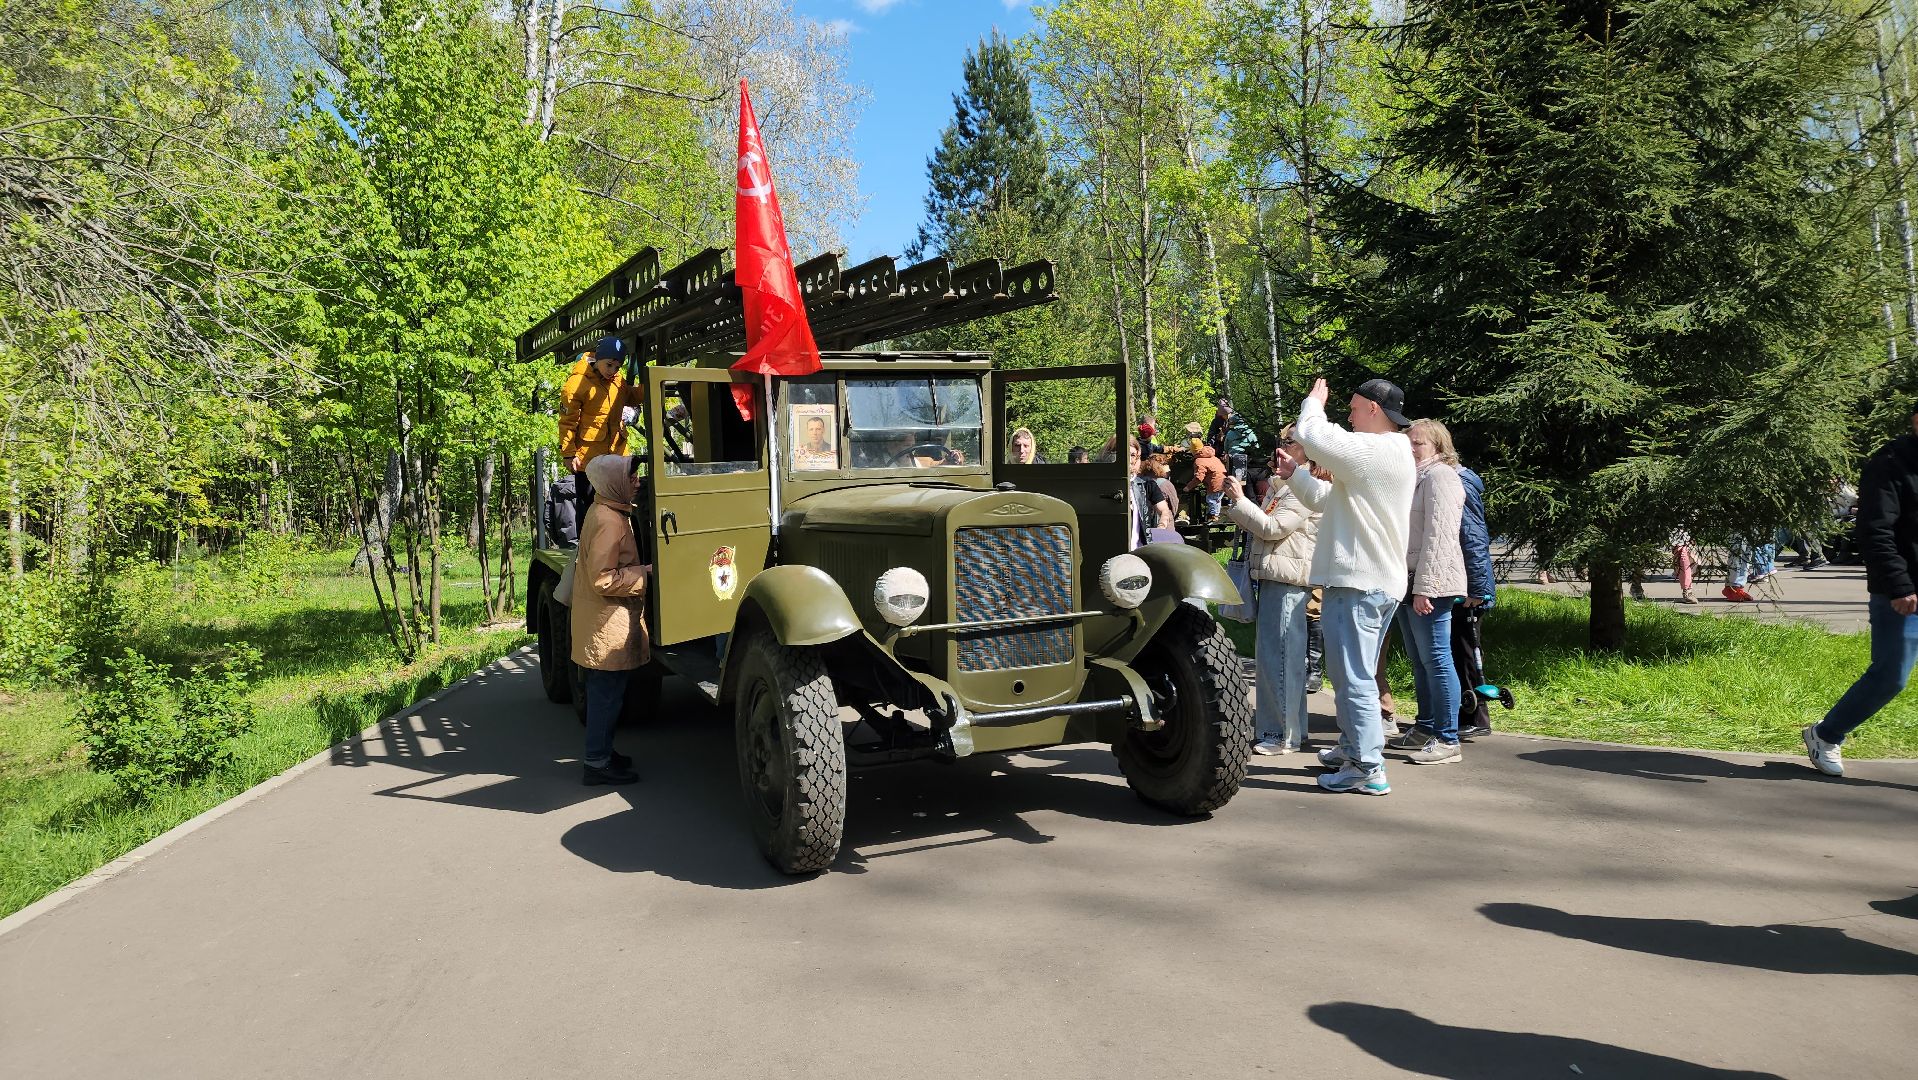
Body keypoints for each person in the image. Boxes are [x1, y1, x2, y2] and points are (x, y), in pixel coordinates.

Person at [1281, 377, 1416, 795]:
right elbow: (1327, 500)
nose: (1350, 415)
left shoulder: (1379, 449)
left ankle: (1366, 766)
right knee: (1352, 674)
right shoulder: (1380, 454)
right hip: (1366, 581)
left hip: (1361, 583)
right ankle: (1354, 746)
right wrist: (1295, 476)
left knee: (1353, 676)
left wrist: (1313, 403)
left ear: (1375, 409)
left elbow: (1314, 436)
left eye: (1355, 408)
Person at [1804, 405, 1918, 776]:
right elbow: (1874, 531)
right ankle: (1826, 735)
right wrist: (1899, 584)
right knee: (1891, 676)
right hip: (1902, 592)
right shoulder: (1889, 463)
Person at [1224, 429, 1320, 754]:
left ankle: (1279, 736)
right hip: (1278, 577)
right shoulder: (1285, 486)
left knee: (1278, 658)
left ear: (1307, 451)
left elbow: (1271, 527)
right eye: (1280, 443)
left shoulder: (1301, 486)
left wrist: (1239, 500)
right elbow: (1265, 524)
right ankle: (1293, 731)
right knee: (1281, 657)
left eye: (1289, 443)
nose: (1280, 449)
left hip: (1287, 580)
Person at [1380, 418, 1467, 764]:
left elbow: (1440, 537)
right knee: (1420, 661)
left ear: (1438, 447)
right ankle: (1426, 726)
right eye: (1409, 443)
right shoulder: (1416, 478)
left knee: (1437, 660)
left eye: (1419, 443)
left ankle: (1448, 739)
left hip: (1431, 583)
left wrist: (1425, 588)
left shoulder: (1441, 477)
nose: (1412, 449)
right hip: (1409, 580)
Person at [571, 454, 652, 786]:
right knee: (606, 694)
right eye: (631, 477)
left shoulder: (607, 510)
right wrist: (644, 574)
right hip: (606, 624)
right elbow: (603, 579)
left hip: (604, 621)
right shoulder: (610, 520)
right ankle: (596, 763)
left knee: (608, 693)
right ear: (614, 482)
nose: (637, 481)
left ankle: (602, 752)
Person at [558, 336, 644, 537]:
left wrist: (648, 385)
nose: (612, 370)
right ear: (598, 358)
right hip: (589, 458)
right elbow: (567, 422)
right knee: (589, 505)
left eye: (617, 366)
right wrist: (569, 454)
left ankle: (619, 545)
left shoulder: (618, 382)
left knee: (621, 503)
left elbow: (631, 396)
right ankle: (587, 548)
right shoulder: (577, 384)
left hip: (616, 454)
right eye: (609, 364)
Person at [1453, 452, 1498, 737]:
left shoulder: (1460, 484)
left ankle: (1477, 718)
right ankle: (1462, 714)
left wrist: (1477, 588)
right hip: (1456, 581)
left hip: (1468, 587)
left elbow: (1473, 536)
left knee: (1467, 651)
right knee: (1456, 650)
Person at [1129, 437, 1173, 549]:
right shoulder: (1103, 484)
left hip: (1140, 550)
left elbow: (1164, 510)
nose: (1129, 460)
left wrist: (1160, 529)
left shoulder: (1147, 484)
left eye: (1133, 455)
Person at [1206, 398, 1260, 479]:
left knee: (1239, 477)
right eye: (1225, 414)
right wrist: (1217, 438)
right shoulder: (1216, 422)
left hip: (1240, 454)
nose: (1227, 416)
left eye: (1228, 414)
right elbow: (1211, 438)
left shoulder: (1237, 420)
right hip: (1222, 452)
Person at [1186, 442, 1227, 521]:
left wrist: (1188, 487)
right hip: (1224, 480)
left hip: (1215, 482)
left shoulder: (1199, 461)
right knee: (1217, 499)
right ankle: (1216, 514)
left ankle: (1213, 517)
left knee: (1212, 499)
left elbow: (1199, 478)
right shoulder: (1212, 457)